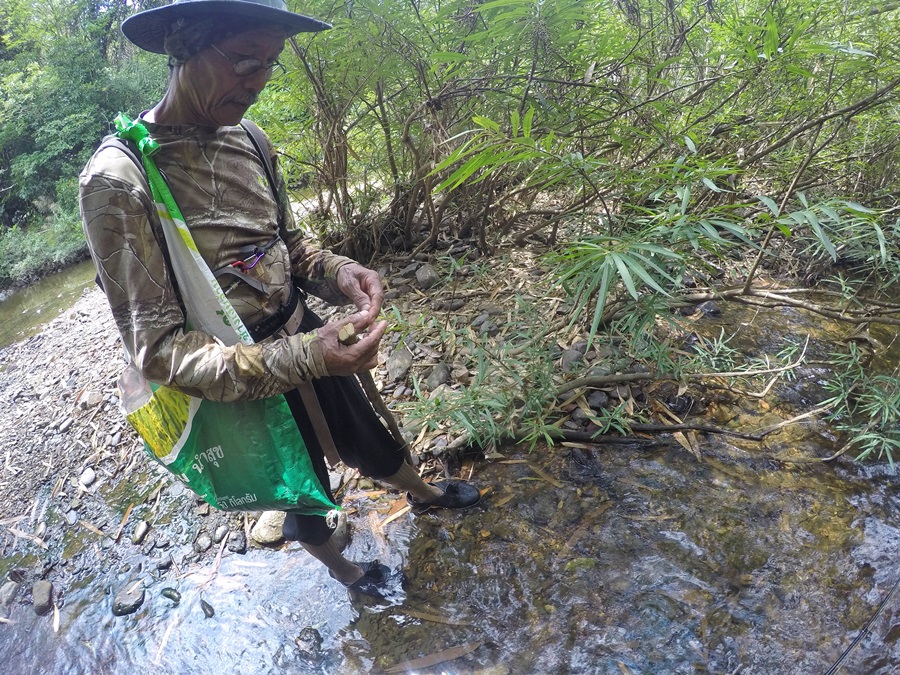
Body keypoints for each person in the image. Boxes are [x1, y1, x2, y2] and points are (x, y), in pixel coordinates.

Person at [79, 0, 480, 598]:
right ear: (182, 48)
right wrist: (306, 357)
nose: (258, 81)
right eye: (244, 60)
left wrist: (342, 273)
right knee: (301, 486)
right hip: (239, 377)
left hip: (303, 330)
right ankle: (347, 573)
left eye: (270, 63)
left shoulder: (250, 139)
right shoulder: (119, 179)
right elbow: (158, 351)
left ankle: (422, 495)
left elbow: (288, 246)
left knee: (365, 431)